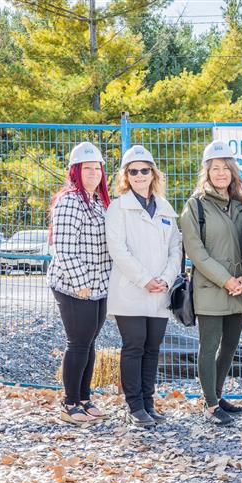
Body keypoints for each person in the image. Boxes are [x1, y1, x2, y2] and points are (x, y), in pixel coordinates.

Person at [105, 145, 182, 428]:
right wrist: (145, 279)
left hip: (159, 291)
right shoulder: (118, 207)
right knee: (134, 346)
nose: (139, 175)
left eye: (144, 170)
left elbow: (176, 247)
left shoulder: (164, 207)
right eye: (133, 171)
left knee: (153, 348)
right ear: (126, 175)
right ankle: (134, 405)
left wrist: (166, 278)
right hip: (131, 291)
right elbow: (118, 250)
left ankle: (148, 402)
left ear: (153, 173)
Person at [180, 140, 242, 426]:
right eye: (215, 168)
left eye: (226, 168)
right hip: (212, 288)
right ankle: (210, 405)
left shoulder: (241, 205)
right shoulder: (195, 206)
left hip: (239, 288)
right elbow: (197, 253)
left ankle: (218, 395)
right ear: (207, 172)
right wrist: (226, 281)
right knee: (209, 346)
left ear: (233, 173)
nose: (221, 173)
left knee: (231, 346)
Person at [48, 141, 112, 425]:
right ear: (75, 171)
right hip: (75, 286)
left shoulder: (99, 202)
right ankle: (70, 402)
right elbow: (63, 249)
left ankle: (85, 398)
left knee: (90, 342)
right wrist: (80, 282)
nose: (93, 174)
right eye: (87, 169)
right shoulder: (69, 201)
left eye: (97, 168)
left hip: (98, 286)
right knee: (78, 343)